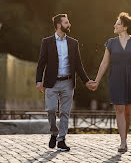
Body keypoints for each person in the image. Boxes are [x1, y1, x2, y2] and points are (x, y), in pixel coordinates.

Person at [36, 14, 94, 151]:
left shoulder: (74, 43)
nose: (69, 25)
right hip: (51, 83)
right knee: (50, 110)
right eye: (66, 22)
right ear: (58, 25)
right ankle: (53, 133)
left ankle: (61, 140)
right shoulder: (47, 42)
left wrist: (86, 81)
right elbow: (41, 63)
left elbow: (78, 65)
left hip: (68, 83)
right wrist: (39, 81)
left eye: (68, 22)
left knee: (65, 113)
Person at [91, 12, 131, 152]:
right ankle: (123, 142)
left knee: (128, 111)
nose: (115, 25)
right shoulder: (111, 42)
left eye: (118, 23)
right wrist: (96, 81)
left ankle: (125, 138)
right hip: (115, 79)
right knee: (119, 109)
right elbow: (104, 63)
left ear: (125, 27)